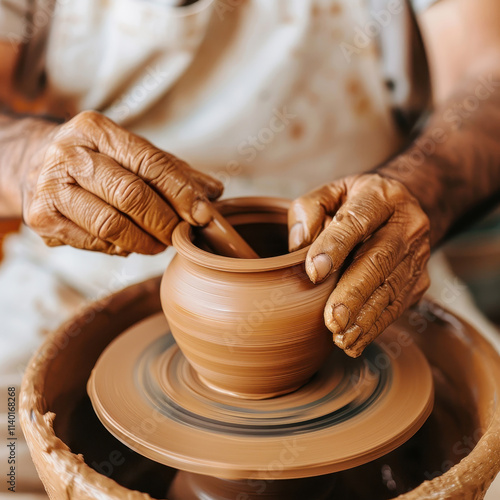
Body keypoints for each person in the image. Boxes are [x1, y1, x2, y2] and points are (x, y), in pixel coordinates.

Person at [0, 0, 499, 496]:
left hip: (372, 269)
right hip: (78, 265)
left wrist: (421, 189)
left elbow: (489, 71)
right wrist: (24, 158)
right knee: (8, 452)